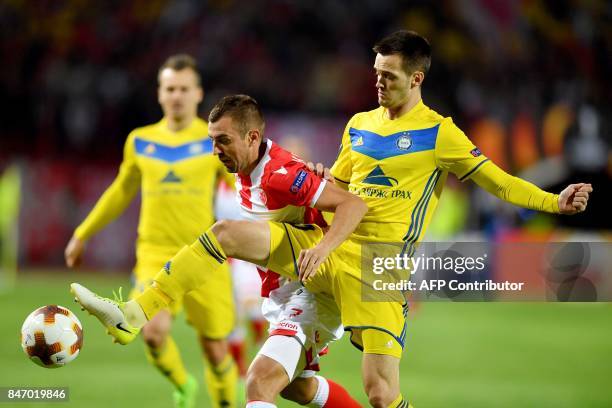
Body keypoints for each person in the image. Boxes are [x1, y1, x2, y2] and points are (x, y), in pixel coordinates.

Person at [71, 31, 593, 407]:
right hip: (325, 250)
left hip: (380, 267)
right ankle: (135, 313)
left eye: (389, 77)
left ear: (415, 78)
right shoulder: (359, 124)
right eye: (375, 74)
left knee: (381, 394)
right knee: (229, 239)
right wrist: (316, 187)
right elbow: (339, 190)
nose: (379, 84)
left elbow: (498, 181)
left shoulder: (442, 133)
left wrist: (553, 202)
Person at [71, 95, 365, 408]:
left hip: (313, 287)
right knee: (298, 389)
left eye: (223, 141)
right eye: (212, 141)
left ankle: (135, 313)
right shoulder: (248, 166)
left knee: (258, 381)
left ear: (252, 137)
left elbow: (353, 205)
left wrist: (322, 248)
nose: (215, 151)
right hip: (286, 286)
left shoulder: (278, 174)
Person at [64, 54, 238, 408]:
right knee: (153, 334)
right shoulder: (140, 141)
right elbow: (120, 191)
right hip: (155, 254)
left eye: (184, 89)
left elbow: (241, 187)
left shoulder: (214, 141)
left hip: (205, 256)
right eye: (170, 88)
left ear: (198, 93)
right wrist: (82, 233)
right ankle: (182, 384)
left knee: (216, 348)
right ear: (160, 94)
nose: (177, 95)